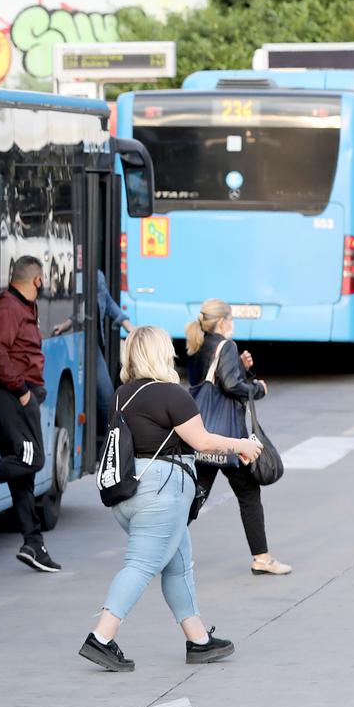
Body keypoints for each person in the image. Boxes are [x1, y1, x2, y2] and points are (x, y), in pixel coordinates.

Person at [79, 326, 261, 672]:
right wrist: (241, 445)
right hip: (162, 494)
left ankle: (198, 640)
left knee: (178, 565)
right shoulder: (172, 395)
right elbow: (202, 441)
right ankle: (101, 638)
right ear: (162, 353)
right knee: (141, 564)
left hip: (132, 491)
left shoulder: (123, 394)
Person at [186, 299, 291, 575]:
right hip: (228, 437)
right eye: (230, 319)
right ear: (222, 321)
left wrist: (239, 367)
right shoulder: (226, 346)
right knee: (247, 493)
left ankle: (158, 548)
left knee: (194, 498)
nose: (232, 324)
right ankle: (262, 558)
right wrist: (257, 388)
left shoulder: (196, 345)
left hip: (202, 433)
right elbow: (231, 385)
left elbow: (213, 382)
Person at [0, 255, 60, 572]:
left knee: (24, 476)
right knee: (31, 459)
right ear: (36, 280)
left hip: (18, 394)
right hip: (13, 396)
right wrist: (22, 391)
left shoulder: (22, 307)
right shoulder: (9, 307)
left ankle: (33, 544)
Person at [52, 269, 132, 454]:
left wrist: (128, 325)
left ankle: (112, 445)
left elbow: (109, 304)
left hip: (91, 345)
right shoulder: (74, 273)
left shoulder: (97, 277)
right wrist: (65, 325)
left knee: (107, 396)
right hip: (74, 342)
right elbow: (77, 309)